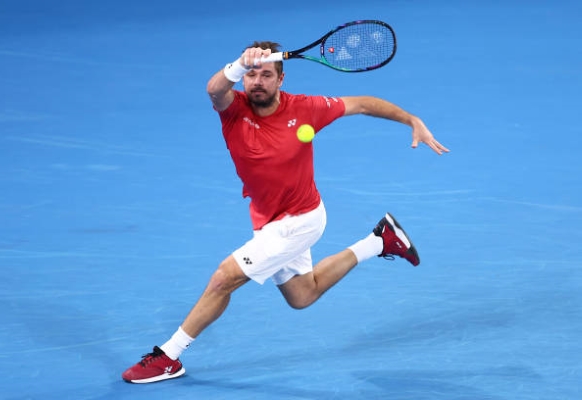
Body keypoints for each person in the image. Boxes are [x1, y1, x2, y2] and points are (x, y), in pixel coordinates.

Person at [122, 41, 449, 384]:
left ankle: (168, 357)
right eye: (251, 74)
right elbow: (214, 89)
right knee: (302, 295)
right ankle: (379, 241)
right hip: (267, 220)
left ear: (281, 79)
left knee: (224, 279)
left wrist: (411, 119)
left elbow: (363, 104)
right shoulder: (233, 108)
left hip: (300, 221)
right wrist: (237, 64)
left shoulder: (306, 108)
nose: (257, 81)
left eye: (266, 74)